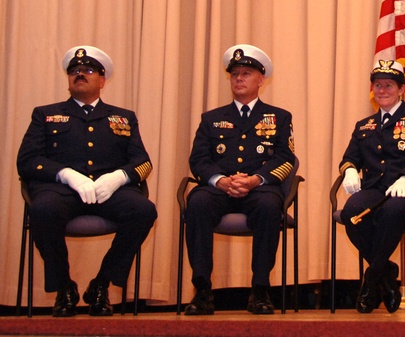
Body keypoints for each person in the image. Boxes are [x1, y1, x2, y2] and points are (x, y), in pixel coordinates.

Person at [16, 46, 157, 317]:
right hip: (61, 192)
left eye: (88, 70)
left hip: (109, 193)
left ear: (102, 81)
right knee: (42, 210)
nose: (80, 74)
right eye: (74, 71)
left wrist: (119, 177)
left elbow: (143, 162)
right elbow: (28, 160)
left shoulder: (123, 117)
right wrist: (65, 174)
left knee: (143, 211)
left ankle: (101, 284)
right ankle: (64, 288)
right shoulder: (45, 114)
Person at [182, 44, 296, 316]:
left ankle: (260, 290)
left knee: (270, 207)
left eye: (246, 73)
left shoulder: (279, 117)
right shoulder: (211, 118)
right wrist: (220, 181)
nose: (239, 79)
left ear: (261, 79)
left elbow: (286, 159)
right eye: (235, 74)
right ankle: (203, 290)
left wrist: (256, 179)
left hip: (260, 189)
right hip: (219, 189)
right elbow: (198, 160)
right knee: (196, 203)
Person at [338, 60, 405, 313]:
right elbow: (349, 157)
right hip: (376, 189)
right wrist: (349, 170)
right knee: (351, 213)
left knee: (392, 211)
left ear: (401, 89)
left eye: (389, 85)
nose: (382, 90)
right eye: (378, 85)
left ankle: (371, 282)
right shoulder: (364, 125)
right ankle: (386, 274)